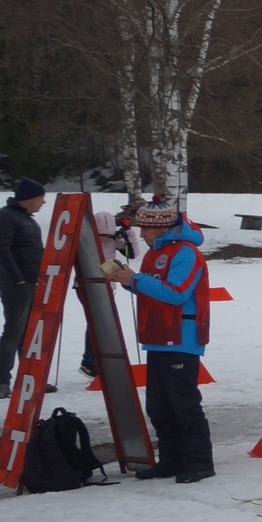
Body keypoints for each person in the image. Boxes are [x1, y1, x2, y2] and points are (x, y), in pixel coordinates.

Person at [105, 199, 213, 484]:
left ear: (162, 227)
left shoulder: (186, 253)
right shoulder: (156, 253)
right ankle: (172, 459)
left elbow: (176, 293)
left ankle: (200, 462)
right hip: (157, 337)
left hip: (181, 337)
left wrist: (136, 280)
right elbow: (154, 291)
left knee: (184, 403)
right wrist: (128, 281)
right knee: (158, 406)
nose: (141, 235)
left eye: (145, 229)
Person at [0, 178, 47, 399]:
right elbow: (1, 251)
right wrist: (18, 279)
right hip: (17, 285)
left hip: (33, 282)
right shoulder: (3, 217)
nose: (43, 202)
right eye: (41, 197)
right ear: (30, 198)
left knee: (30, 333)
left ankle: (30, 378)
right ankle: (2, 380)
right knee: (13, 331)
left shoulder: (26, 219)